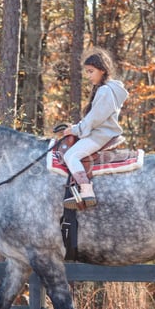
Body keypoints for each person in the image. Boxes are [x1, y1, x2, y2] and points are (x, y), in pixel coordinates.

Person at [62, 47, 129, 209]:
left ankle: (86, 190)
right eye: (87, 72)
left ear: (103, 70)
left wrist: (75, 130)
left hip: (99, 135)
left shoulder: (105, 91)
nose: (88, 76)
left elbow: (95, 118)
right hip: (100, 133)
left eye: (91, 71)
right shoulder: (107, 90)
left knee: (71, 155)